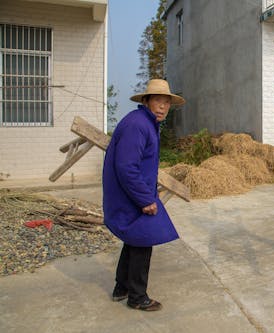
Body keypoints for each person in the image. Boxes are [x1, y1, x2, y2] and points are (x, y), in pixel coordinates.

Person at [102, 79, 185, 311]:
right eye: (158, 100)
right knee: (143, 239)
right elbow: (127, 167)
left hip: (135, 191)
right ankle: (137, 297)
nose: (163, 106)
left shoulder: (146, 123)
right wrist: (145, 199)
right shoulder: (138, 125)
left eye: (167, 102)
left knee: (133, 239)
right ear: (146, 100)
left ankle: (122, 287)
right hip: (131, 194)